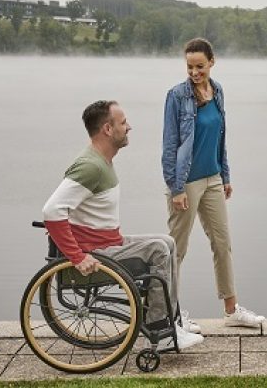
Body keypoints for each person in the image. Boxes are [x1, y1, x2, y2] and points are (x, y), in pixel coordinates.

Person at [42, 100, 204, 350]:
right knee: (158, 250)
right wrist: (77, 257)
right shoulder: (90, 166)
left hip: (108, 242)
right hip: (96, 254)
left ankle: (173, 320)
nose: (129, 127)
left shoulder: (101, 161)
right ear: (107, 129)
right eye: (123, 122)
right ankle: (160, 330)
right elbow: (52, 211)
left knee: (168, 242)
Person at [162, 37, 264, 327]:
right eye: (190, 66)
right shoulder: (177, 96)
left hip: (213, 179)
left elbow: (221, 137)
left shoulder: (217, 91)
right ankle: (170, 315)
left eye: (200, 66)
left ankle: (231, 311)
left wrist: (225, 175)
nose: (194, 73)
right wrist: (176, 188)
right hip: (186, 183)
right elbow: (170, 146)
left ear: (212, 62)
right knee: (176, 251)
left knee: (222, 243)